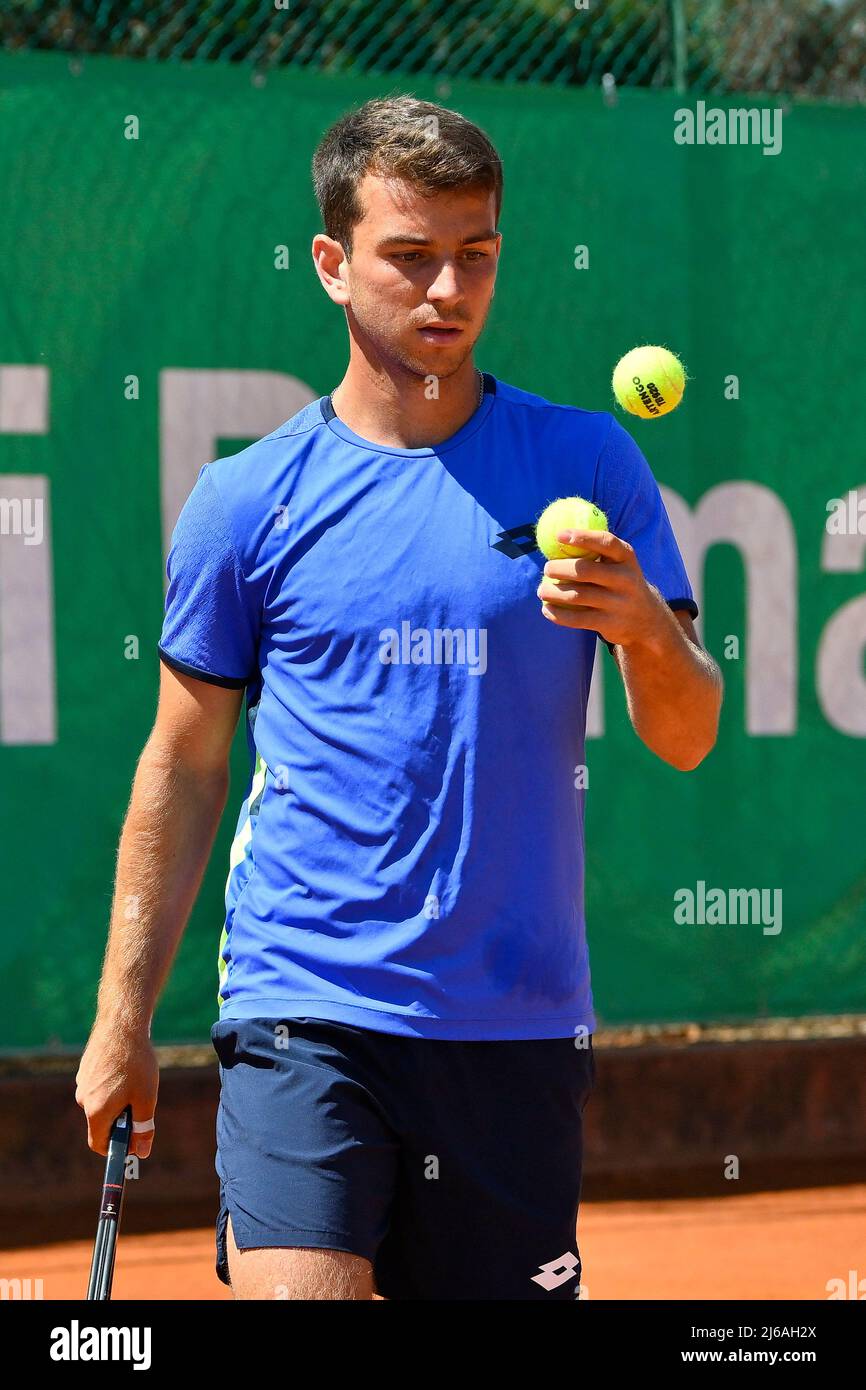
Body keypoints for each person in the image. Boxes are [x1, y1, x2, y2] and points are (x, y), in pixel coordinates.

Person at [76, 94, 722, 1301]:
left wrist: (643, 628)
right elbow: (184, 761)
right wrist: (124, 1019)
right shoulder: (245, 502)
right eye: (409, 256)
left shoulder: (589, 463)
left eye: (473, 255)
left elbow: (685, 734)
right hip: (305, 1006)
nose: (446, 289)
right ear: (331, 263)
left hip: (516, 1027)